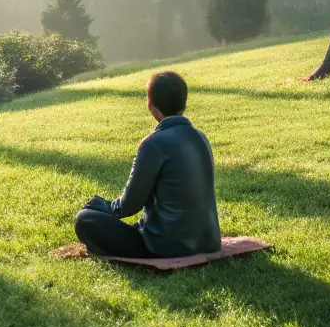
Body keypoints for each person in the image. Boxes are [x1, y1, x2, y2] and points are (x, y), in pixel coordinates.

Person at [74, 70, 221, 259]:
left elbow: (128, 206)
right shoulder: (200, 137)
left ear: (150, 105)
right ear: (184, 102)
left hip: (165, 245)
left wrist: (101, 206)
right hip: (208, 241)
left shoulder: (153, 144)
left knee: (85, 220)